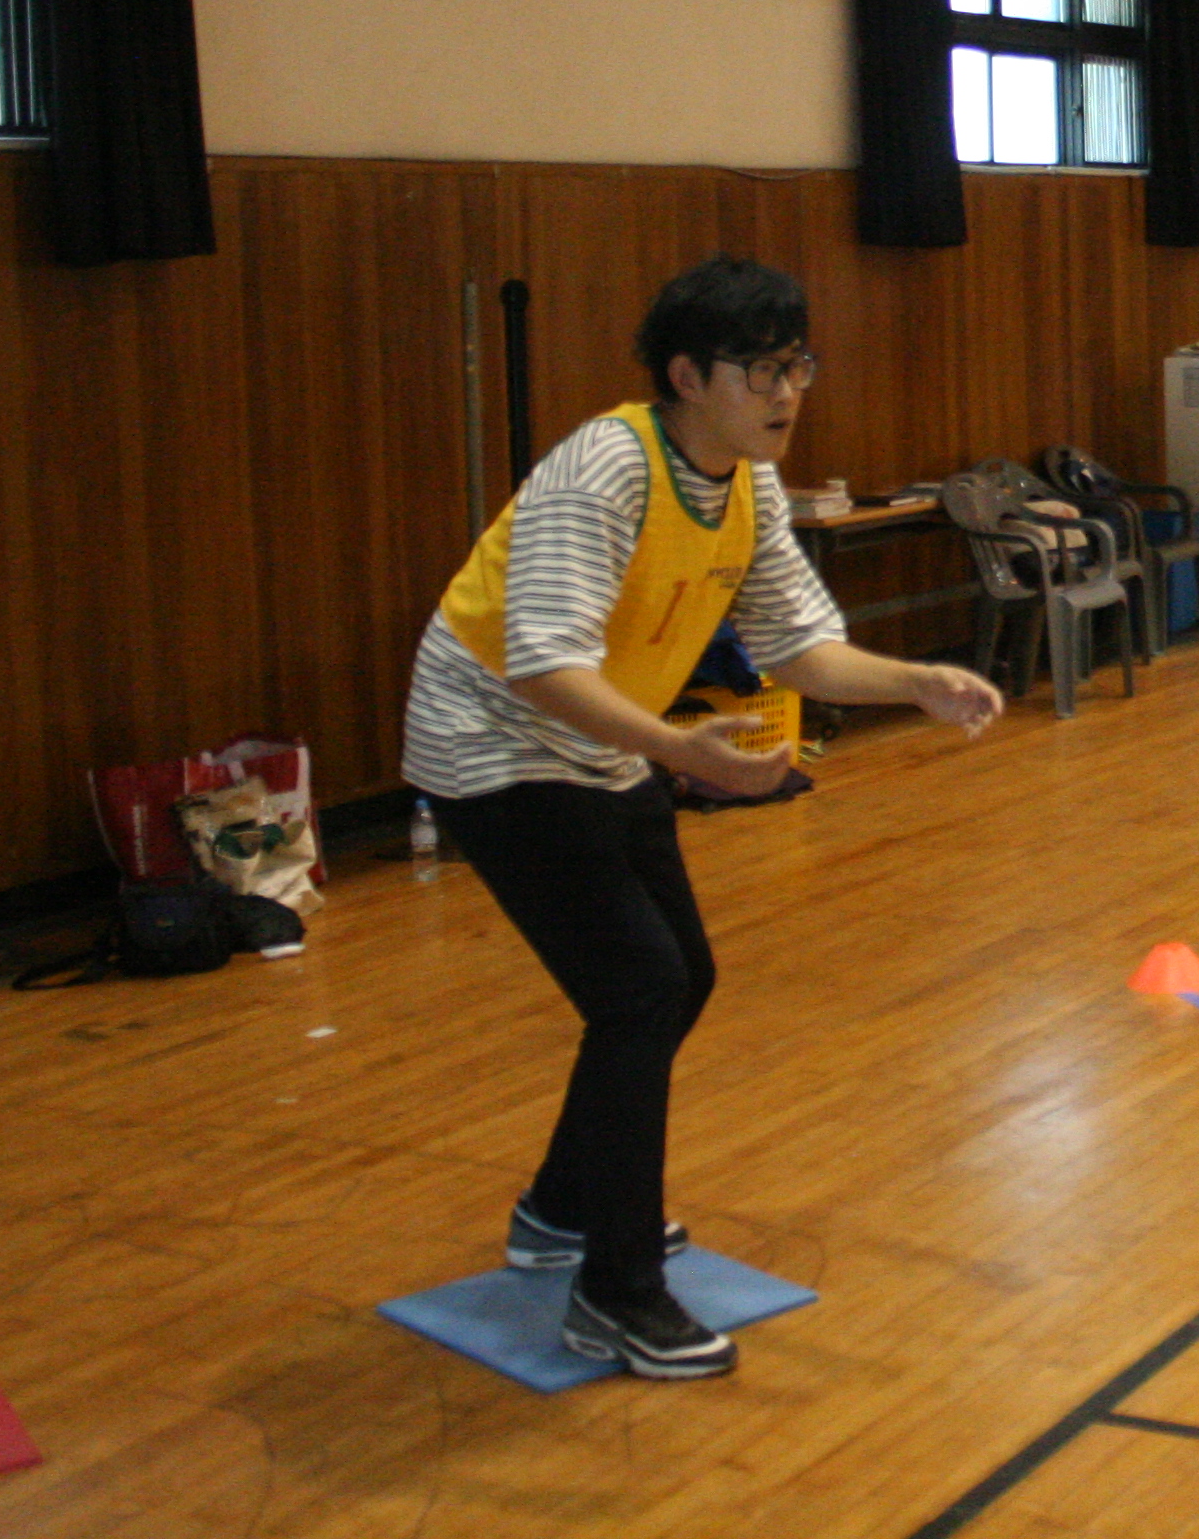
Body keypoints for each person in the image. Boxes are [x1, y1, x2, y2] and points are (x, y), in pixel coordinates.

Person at [403, 256, 1005, 1380]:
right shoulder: (605, 469)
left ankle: (560, 1210)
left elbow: (798, 646)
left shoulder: (749, 485)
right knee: (640, 987)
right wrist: (682, 753)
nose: (789, 393)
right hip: (492, 743)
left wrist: (914, 680)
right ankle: (616, 1292)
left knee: (683, 976)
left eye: (799, 366)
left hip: (603, 739)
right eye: (763, 371)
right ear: (686, 376)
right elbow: (539, 664)